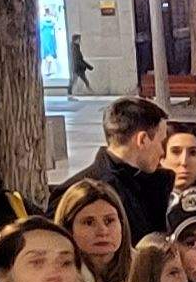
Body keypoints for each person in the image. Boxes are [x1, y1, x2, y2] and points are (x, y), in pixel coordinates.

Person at [69, 98, 177, 241]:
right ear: (143, 140)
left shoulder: (154, 184)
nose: (163, 152)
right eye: (161, 142)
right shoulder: (79, 194)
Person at [48, 176, 137, 282]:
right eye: (89, 222)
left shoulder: (144, 268)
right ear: (68, 229)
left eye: (109, 221)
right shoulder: (56, 279)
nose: (102, 231)